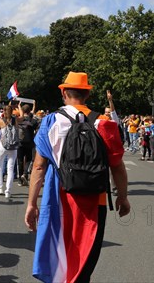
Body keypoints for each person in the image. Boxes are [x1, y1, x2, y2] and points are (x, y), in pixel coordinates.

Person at [25, 72, 130, 283]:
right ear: (87, 95)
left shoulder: (50, 121)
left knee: (58, 257)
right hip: (95, 199)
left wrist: (31, 203)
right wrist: (123, 196)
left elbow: (38, 167)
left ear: (64, 92)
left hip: (58, 198)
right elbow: (117, 166)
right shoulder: (103, 123)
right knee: (85, 259)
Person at [0, 104, 24, 198]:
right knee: (10, 168)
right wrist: (19, 107)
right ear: (12, 112)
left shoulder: (0, 121)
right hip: (13, 146)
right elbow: (22, 117)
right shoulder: (15, 120)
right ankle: (8, 191)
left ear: (3, 111)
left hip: (3, 146)